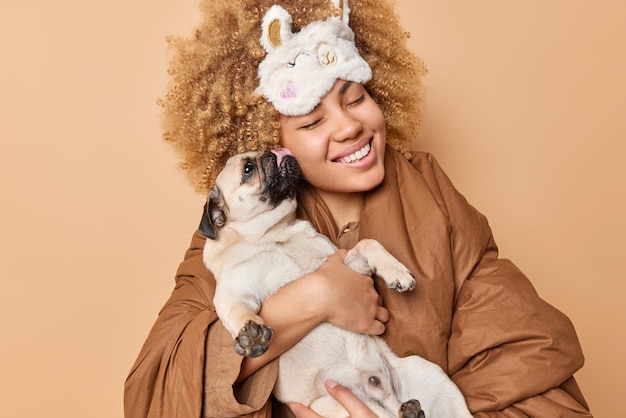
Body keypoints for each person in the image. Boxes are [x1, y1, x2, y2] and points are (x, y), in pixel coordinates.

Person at [124, 0, 593, 417]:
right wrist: (313, 299)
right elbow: (162, 388)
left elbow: (532, 351)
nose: (350, 126)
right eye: (311, 120)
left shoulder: (428, 189)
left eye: (356, 98)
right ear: (269, 143)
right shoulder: (231, 235)